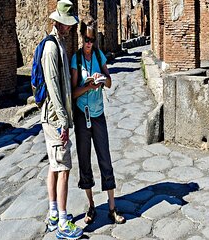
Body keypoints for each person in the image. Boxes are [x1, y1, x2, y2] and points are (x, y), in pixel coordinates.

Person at [71, 15, 126, 225]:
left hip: (98, 115)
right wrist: (88, 86)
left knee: (105, 158)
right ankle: (91, 205)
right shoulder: (75, 59)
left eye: (92, 40)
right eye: (86, 39)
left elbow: (110, 82)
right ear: (81, 37)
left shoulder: (99, 55)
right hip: (81, 115)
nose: (89, 44)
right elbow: (74, 93)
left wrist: (102, 80)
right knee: (85, 162)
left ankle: (112, 208)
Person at [41, 0, 83, 239]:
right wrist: (63, 121)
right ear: (58, 22)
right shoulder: (51, 48)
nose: (69, 28)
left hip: (55, 115)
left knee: (55, 166)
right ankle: (63, 223)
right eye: (67, 24)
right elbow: (54, 88)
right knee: (64, 167)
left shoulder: (59, 43)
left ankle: (54, 213)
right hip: (55, 117)